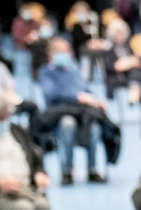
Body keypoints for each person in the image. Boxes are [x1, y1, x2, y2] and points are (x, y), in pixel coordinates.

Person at [38, 36, 108, 185]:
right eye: (59, 51)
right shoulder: (46, 73)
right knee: (68, 124)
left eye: (66, 51)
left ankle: (92, 169)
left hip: (81, 112)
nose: (64, 54)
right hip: (59, 113)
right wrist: (77, 97)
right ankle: (67, 170)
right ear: (51, 54)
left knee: (94, 125)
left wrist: (97, 101)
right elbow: (51, 94)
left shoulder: (74, 72)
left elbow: (86, 91)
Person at [102, 18, 141, 104]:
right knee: (135, 73)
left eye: (121, 33)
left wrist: (130, 63)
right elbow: (113, 67)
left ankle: (135, 92)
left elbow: (139, 61)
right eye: (117, 33)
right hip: (116, 77)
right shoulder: (109, 50)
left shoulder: (128, 47)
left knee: (137, 73)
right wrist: (128, 63)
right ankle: (134, 93)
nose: (120, 36)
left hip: (130, 76)